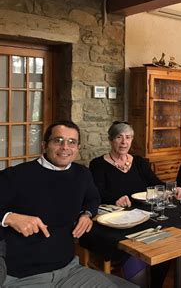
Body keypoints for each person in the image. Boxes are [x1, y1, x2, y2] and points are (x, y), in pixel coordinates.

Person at [0, 120, 136, 287]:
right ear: (44, 145)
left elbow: (93, 199)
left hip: (70, 270)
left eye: (72, 142)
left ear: (77, 148)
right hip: (23, 276)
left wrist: (87, 214)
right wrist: (9, 217)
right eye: (58, 141)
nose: (65, 147)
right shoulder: (17, 175)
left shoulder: (82, 174)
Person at [90, 121, 181, 207]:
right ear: (111, 140)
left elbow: (155, 184)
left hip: (145, 211)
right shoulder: (98, 165)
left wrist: (172, 189)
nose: (124, 142)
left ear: (131, 140)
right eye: (119, 137)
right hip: (116, 214)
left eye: (128, 137)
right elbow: (96, 194)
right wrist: (115, 200)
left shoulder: (140, 162)